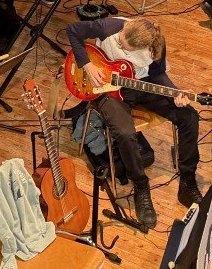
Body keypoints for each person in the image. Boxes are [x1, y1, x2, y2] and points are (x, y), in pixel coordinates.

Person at [64, 14, 200, 228]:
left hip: (139, 84)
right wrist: (87, 65)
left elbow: (158, 76)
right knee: (126, 134)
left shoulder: (155, 47)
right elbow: (72, 29)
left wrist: (175, 93)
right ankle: (141, 184)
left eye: (124, 46)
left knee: (190, 116)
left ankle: (187, 181)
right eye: (120, 40)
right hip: (107, 87)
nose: (119, 43)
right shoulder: (109, 27)